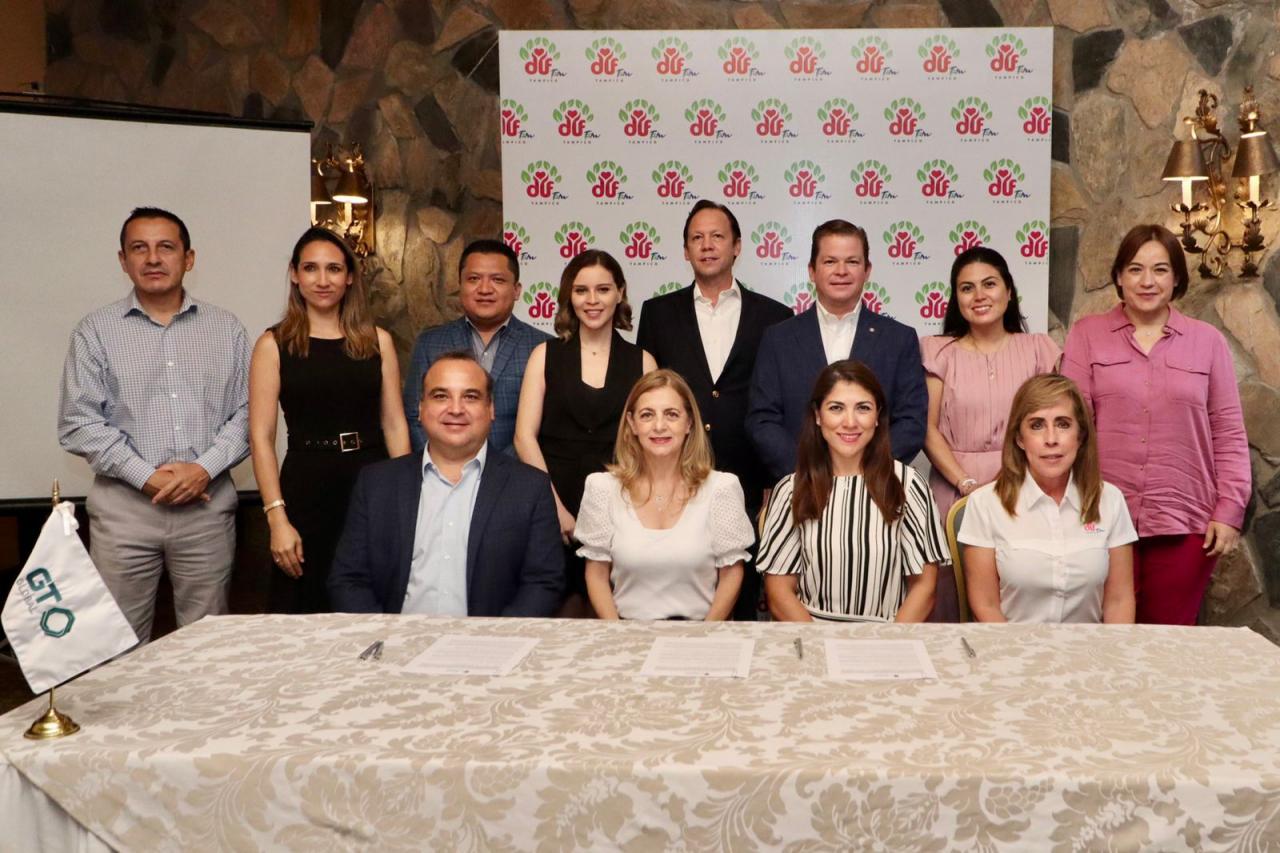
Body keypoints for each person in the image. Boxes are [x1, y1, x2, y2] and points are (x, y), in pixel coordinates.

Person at [58, 207, 249, 642]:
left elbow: (248, 413)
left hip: (206, 510)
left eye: (166, 247)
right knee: (118, 646)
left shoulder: (227, 329)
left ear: (189, 258)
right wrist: (146, 477)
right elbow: (78, 421)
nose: (153, 258)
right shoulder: (95, 331)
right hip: (124, 514)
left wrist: (202, 470)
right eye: (139, 248)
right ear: (123, 260)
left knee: (207, 645)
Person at [1061, 224, 1249, 625]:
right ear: (1118, 277)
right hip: (1100, 517)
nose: (1147, 281)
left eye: (1160, 270)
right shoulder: (1087, 335)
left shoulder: (1208, 341)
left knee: (1167, 642)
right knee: (1101, 639)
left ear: (1177, 278)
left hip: (1185, 522)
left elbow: (1229, 431)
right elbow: (1070, 426)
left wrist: (1229, 510)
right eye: (1135, 269)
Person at [636, 200, 791, 620]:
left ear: (737, 246)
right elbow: (648, 395)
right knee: (676, 592)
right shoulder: (657, 313)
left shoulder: (774, 316)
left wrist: (772, 481)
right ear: (685, 250)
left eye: (717, 236)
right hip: (674, 475)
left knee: (741, 598)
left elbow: (779, 404)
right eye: (697, 238)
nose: (707, 245)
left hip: (749, 481)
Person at [248, 227, 411, 614]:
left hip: (371, 482)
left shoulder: (378, 341)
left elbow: (394, 424)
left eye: (334, 269)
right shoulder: (273, 344)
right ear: (294, 274)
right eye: (311, 268)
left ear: (350, 277)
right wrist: (277, 519)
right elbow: (261, 436)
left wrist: (406, 499)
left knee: (374, 603)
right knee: (306, 607)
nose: (323, 280)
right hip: (306, 487)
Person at [328, 352, 564, 615]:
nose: (455, 409)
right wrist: (385, 634)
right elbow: (349, 580)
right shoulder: (376, 484)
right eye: (441, 396)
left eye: (470, 397)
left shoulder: (530, 488)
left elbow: (543, 582)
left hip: (491, 638)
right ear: (420, 408)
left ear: (491, 409)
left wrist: (496, 636)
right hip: (395, 636)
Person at [920, 246, 1060, 621]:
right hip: (953, 490)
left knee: (1022, 591)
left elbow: (1054, 424)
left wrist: (1015, 481)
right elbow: (927, 429)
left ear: (1009, 291)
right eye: (967, 288)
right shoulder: (938, 352)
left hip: (1026, 487)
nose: (979, 295)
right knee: (951, 598)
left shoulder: (1039, 349)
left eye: (989, 284)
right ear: (956, 298)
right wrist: (965, 484)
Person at [514, 249, 656, 613]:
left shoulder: (643, 362)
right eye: (581, 291)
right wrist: (555, 509)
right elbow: (524, 437)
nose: (592, 300)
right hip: (551, 506)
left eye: (603, 289)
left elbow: (650, 445)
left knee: (615, 617)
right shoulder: (544, 355)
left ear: (620, 293)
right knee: (557, 616)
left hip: (621, 509)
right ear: (569, 296)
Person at [757, 361, 944, 622]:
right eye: (836, 408)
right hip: (811, 634)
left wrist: (890, 641)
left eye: (863, 408)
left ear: (877, 416)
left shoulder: (908, 486)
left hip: (887, 635)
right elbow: (779, 591)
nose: (850, 422)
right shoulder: (791, 489)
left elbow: (924, 587)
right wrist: (818, 641)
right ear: (818, 416)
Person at [747, 219, 927, 483]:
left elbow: (911, 421)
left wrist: (863, 473)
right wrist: (807, 473)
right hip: (800, 487)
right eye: (830, 261)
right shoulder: (778, 339)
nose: (841, 271)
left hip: (875, 489)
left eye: (852, 262)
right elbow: (762, 420)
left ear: (867, 270)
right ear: (812, 271)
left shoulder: (899, 339)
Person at [575, 370, 755, 620]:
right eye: (647, 415)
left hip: (700, 633)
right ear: (632, 424)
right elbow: (596, 574)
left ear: (689, 423)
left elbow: (731, 573)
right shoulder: (602, 489)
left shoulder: (721, 489)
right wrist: (616, 633)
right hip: (625, 633)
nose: (659, 426)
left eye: (671, 414)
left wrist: (706, 633)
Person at [959, 374, 1137, 623]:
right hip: (1011, 644)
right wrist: (1016, 648)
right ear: (1019, 438)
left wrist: (1112, 649)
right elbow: (986, 605)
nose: (1051, 439)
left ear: (1081, 436)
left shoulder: (1110, 500)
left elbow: (1119, 601)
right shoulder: (985, 504)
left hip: (1090, 645)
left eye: (1063, 424)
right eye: (1037, 425)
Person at [403, 239, 550, 455]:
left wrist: (502, 469)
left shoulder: (543, 347)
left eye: (498, 280)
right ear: (460, 285)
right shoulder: (430, 343)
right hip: (443, 469)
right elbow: (414, 415)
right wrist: (447, 464)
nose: (484, 289)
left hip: (517, 471)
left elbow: (549, 426)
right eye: (473, 279)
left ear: (517, 290)